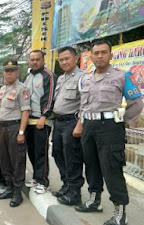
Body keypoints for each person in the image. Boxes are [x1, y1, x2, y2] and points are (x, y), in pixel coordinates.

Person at [75, 40, 143, 225]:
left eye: (103, 52)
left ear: (110, 55)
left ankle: (120, 213)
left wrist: (122, 121)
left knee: (111, 169)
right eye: (96, 53)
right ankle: (94, 200)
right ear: (91, 56)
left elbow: (136, 102)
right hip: (89, 125)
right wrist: (80, 123)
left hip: (110, 128)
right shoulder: (86, 79)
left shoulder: (123, 76)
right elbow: (83, 105)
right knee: (91, 165)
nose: (99, 56)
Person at [0, 60, 31, 207]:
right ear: (3, 73)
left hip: (15, 127)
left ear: (17, 72)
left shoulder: (22, 89)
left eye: (12, 70)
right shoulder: (2, 89)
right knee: (4, 159)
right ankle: (9, 187)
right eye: (7, 70)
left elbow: (25, 111)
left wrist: (21, 132)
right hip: (2, 128)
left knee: (17, 160)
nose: (9, 73)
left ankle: (17, 192)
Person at [52, 47, 84, 205]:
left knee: (72, 157)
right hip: (58, 122)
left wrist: (80, 124)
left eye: (67, 58)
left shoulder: (83, 77)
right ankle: (66, 185)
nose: (64, 62)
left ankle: (75, 192)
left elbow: (86, 103)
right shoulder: (60, 78)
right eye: (61, 59)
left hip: (72, 122)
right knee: (58, 154)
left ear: (76, 58)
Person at [24, 50, 56, 194]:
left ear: (43, 60)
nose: (35, 62)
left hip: (41, 120)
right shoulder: (28, 76)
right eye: (32, 59)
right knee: (31, 150)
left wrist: (44, 116)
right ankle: (36, 178)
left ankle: (43, 181)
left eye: (37, 59)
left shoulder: (48, 75)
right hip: (28, 120)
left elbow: (50, 98)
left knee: (41, 152)